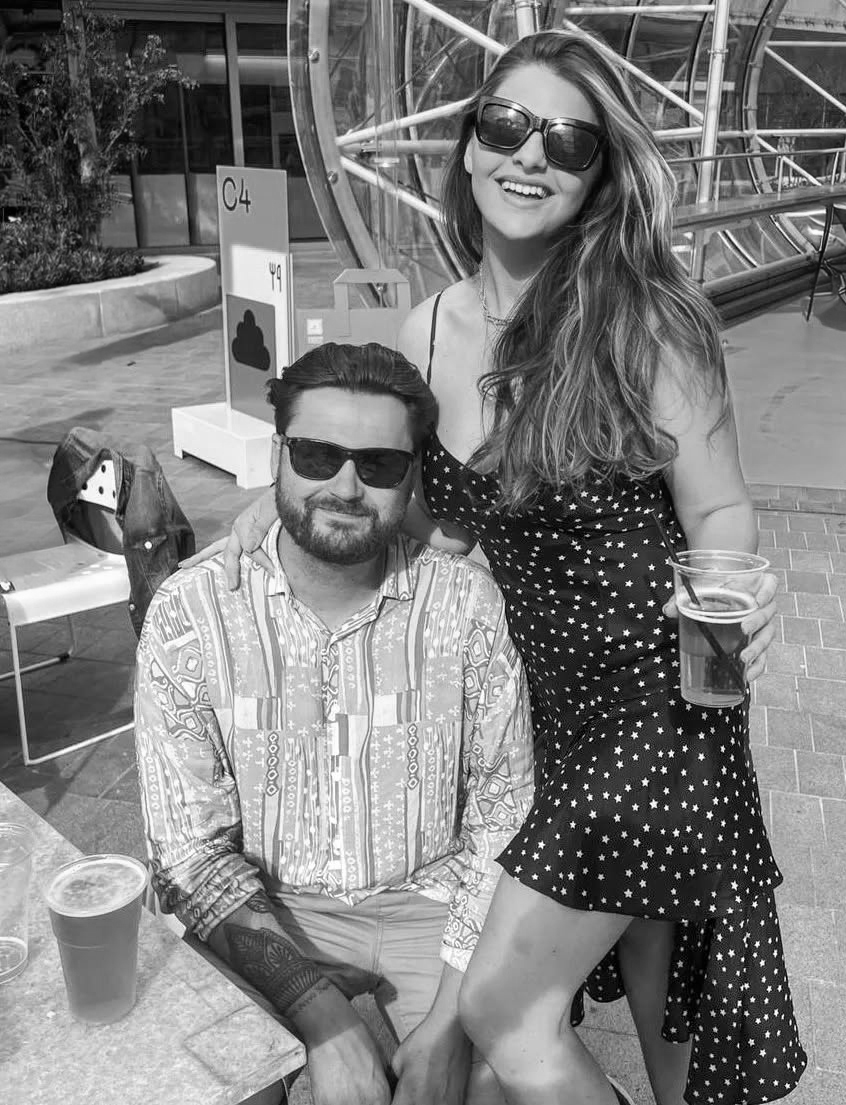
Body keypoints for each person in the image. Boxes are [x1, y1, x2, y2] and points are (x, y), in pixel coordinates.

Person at [187, 29, 804, 1105]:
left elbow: (718, 506)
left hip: (652, 709)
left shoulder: (645, 324)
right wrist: (278, 508)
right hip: (532, 720)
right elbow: (425, 517)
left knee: (507, 1011)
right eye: (507, 126)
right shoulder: (427, 330)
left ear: (598, 173)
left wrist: (733, 604)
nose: (530, 156)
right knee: (662, 995)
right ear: (469, 147)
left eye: (566, 141)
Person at [134, 342, 536, 1105]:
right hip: (264, 909)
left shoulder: (465, 606)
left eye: (379, 464)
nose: (346, 486)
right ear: (278, 456)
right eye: (318, 455)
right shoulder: (193, 613)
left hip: (435, 910)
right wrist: (325, 1018)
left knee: (499, 1085)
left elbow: (503, 819)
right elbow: (188, 851)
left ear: (413, 476)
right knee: (218, 1083)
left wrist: (448, 1027)